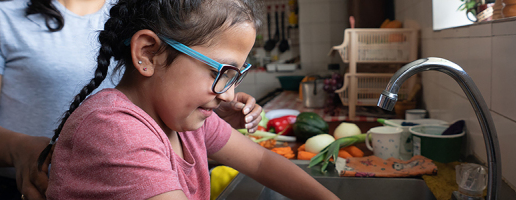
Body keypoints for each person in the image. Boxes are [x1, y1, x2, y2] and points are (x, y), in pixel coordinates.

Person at [0, 0, 263, 199]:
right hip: (24, 187)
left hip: (149, 180)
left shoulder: (145, 8)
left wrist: (214, 101)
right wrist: (22, 150)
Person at [42, 0, 340, 199]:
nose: (229, 94)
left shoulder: (183, 120)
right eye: (219, 71)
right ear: (148, 54)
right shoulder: (113, 128)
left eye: (235, 75)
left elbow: (262, 161)